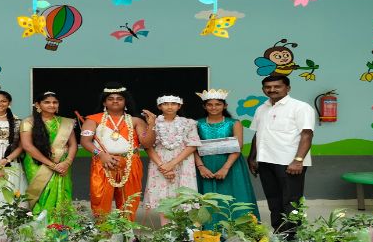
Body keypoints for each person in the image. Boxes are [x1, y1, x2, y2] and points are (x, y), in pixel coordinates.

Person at [80, 83, 156, 221]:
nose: (115, 101)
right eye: (110, 98)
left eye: (119, 98)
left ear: (125, 102)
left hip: (130, 163)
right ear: (104, 102)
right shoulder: (93, 120)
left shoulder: (135, 121)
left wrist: (151, 124)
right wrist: (102, 155)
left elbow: (147, 143)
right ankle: (103, 231)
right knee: (100, 199)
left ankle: (126, 231)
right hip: (102, 162)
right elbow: (85, 141)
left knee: (129, 200)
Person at [247, 76, 315, 229]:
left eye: (277, 86)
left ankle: (292, 236)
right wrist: (252, 157)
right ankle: (279, 232)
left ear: (288, 88)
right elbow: (258, 134)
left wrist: (298, 160)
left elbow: (307, 134)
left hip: (289, 163)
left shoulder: (300, 107)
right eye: (268, 87)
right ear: (263, 89)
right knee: (273, 200)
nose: (272, 90)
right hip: (265, 161)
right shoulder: (261, 109)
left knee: (291, 201)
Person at [194, 89, 261, 225]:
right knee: (207, 197)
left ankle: (240, 226)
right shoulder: (197, 124)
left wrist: (225, 168)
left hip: (231, 164)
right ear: (204, 106)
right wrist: (200, 167)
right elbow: (192, 147)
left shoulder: (234, 123)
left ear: (225, 106)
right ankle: (210, 227)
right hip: (205, 164)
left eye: (218, 104)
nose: (214, 107)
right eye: (210, 104)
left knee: (234, 194)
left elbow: (238, 146)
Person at [144, 94, 201, 225]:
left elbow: (193, 145)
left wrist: (172, 164)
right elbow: (148, 146)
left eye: (173, 104)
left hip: (183, 162)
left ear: (179, 106)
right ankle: (166, 230)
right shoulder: (153, 123)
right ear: (159, 106)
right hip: (159, 162)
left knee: (184, 195)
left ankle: (184, 230)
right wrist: (163, 166)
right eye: (165, 104)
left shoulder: (189, 123)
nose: (169, 107)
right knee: (163, 196)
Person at [20, 91, 77, 220]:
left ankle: (61, 226)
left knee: (62, 193)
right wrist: (52, 165)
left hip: (62, 164)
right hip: (37, 163)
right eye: (47, 102)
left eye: (54, 102)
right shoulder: (28, 122)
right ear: (38, 105)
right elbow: (27, 146)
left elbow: (73, 144)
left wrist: (67, 162)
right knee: (41, 193)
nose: (51, 105)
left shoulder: (66, 122)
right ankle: (41, 227)